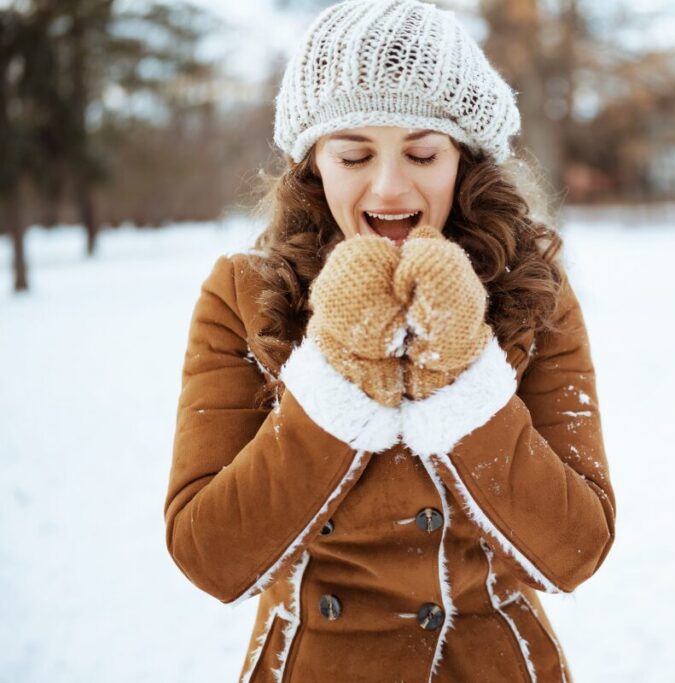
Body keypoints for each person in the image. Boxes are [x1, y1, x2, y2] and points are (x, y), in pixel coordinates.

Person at [163, 1, 615, 680]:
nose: (390, 186)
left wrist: (463, 380)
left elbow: (576, 550)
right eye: (354, 154)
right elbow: (210, 557)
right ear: (314, 162)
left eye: (423, 153)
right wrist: (335, 379)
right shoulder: (242, 295)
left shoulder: (533, 290)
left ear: (464, 158)